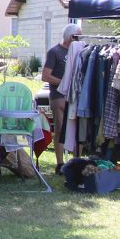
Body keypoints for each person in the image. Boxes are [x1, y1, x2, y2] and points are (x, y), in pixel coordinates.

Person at [42, 23, 81, 173]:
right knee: (60, 128)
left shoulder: (79, 51)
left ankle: (76, 161)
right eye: (78, 36)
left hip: (75, 96)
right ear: (72, 37)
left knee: (77, 129)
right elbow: (46, 76)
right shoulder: (55, 52)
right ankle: (59, 163)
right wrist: (65, 84)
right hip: (58, 96)